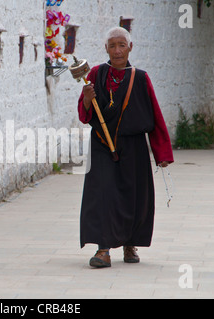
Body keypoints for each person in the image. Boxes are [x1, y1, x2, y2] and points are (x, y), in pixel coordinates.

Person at [78, 27, 174, 268]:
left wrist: (161, 152)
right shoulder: (96, 74)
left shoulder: (140, 78)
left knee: (134, 197)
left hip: (133, 147)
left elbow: (155, 115)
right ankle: (103, 249)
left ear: (130, 47)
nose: (117, 50)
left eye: (122, 45)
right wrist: (88, 98)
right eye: (112, 45)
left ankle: (130, 243)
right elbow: (83, 113)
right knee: (103, 195)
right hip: (102, 144)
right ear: (106, 49)